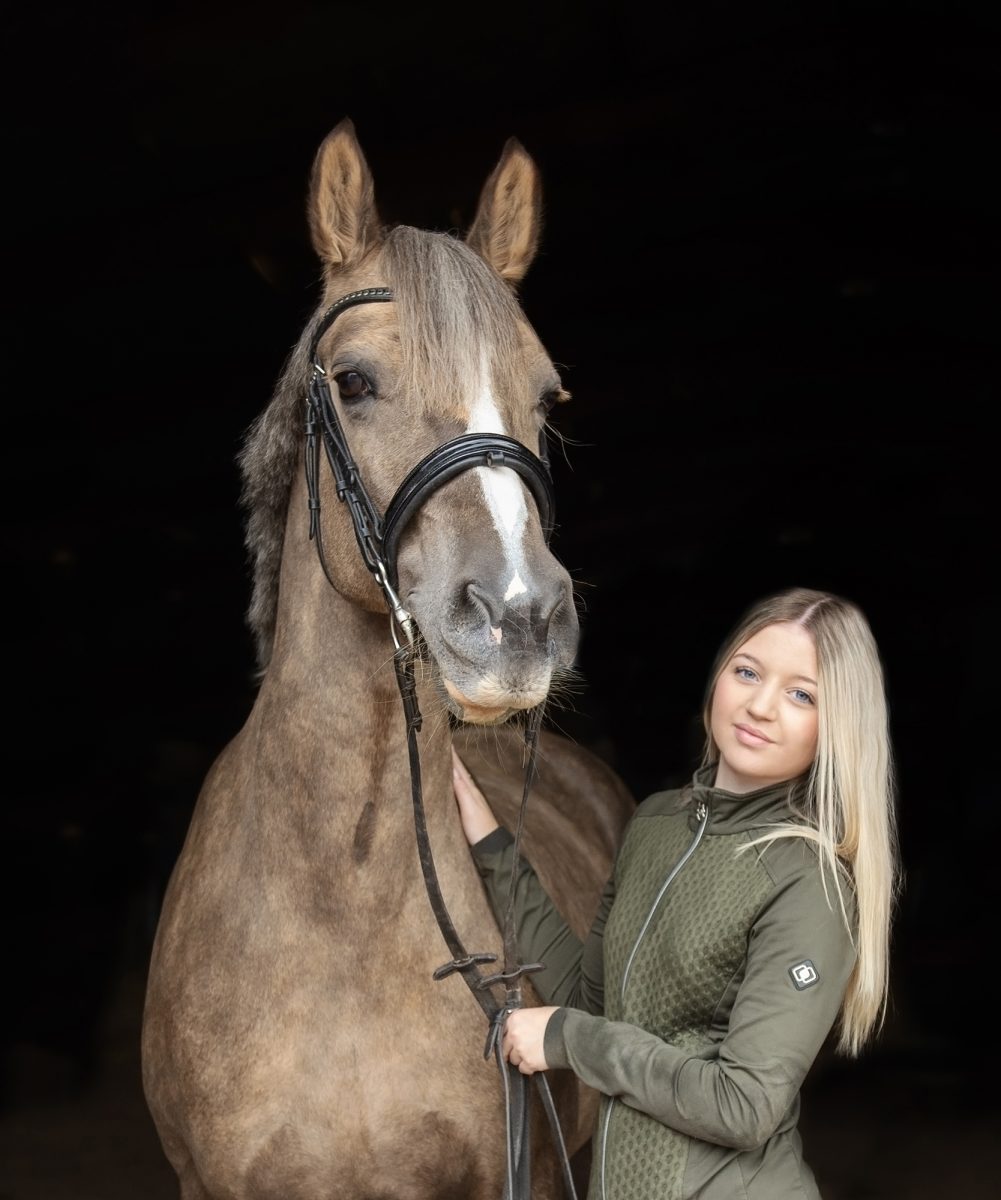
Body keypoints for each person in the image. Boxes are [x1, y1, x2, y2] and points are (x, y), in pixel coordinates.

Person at [452, 586, 900, 1199]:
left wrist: (567, 1039)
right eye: (748, 672)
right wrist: (489, 841)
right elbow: (591, 998)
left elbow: (742, 1106)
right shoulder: (658, 823)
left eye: (801, 695)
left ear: (837, 727)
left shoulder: (809, 882)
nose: (761, 705)